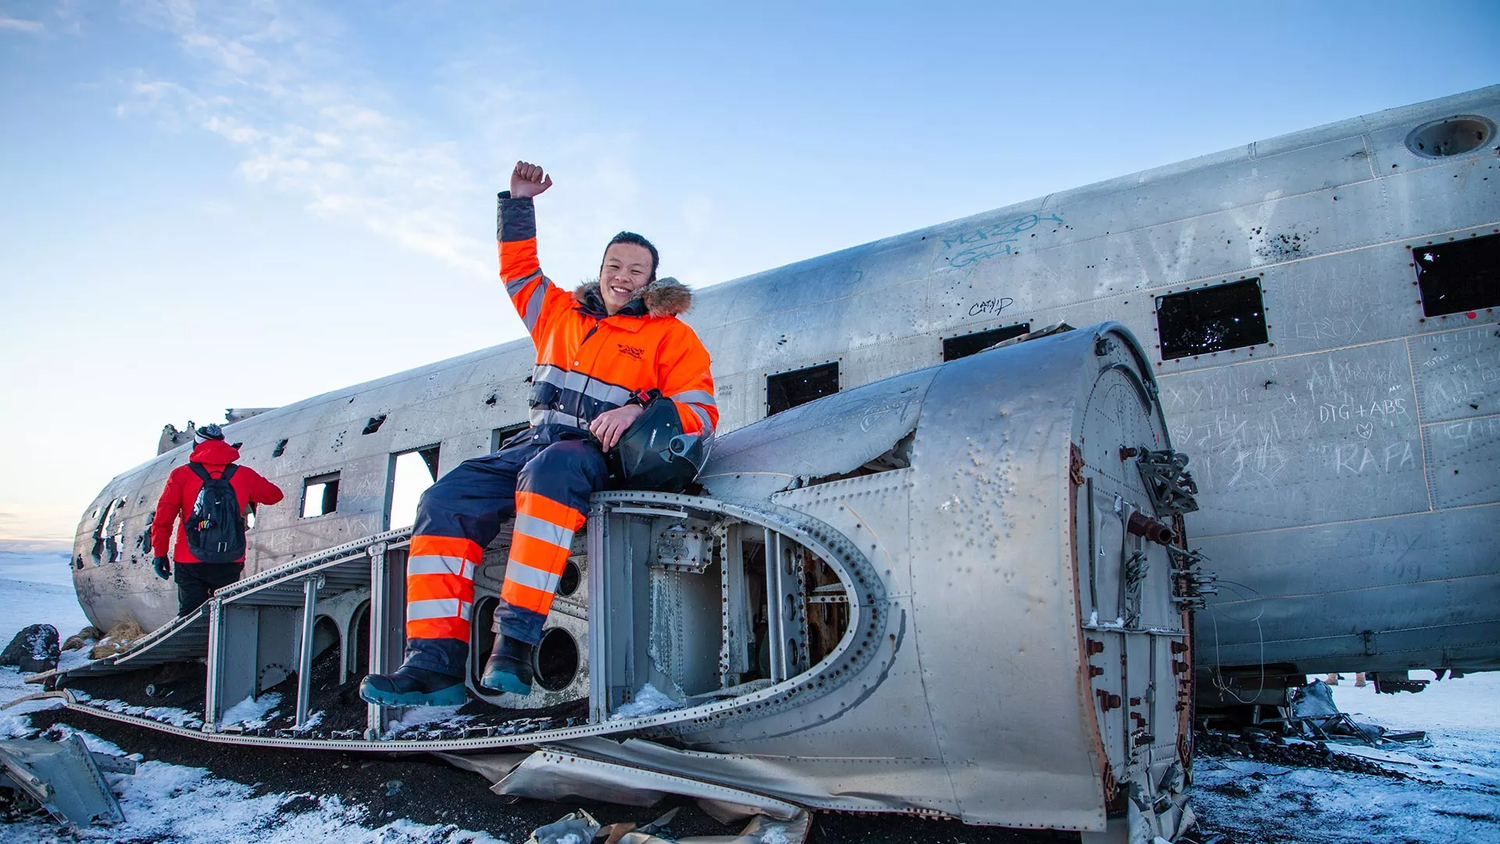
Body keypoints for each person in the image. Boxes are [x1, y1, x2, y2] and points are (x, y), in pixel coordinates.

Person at [359, 161, 718, 706]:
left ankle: (515, 645)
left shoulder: (671, 337)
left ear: (653, 281)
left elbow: (699, 409)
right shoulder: (558, 313)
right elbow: (518, 268)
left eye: (636, 271)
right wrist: (518, 200)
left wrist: (640, 411)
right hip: (535, 444)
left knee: (550, 471)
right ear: (600, 269)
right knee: (443, 498)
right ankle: (433, 665)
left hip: (595, 455)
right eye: (614, 265)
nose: (622, 276)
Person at [150, 424, 285, 616]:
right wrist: (245, 495)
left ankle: (195, 645)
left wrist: (160, 553)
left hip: (189, 558)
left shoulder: (181, 475)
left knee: (190, 618)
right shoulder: (243, 474)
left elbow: (164, 518)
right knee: (225, 616)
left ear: (196, 446)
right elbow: (275, 495)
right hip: (229, 557)